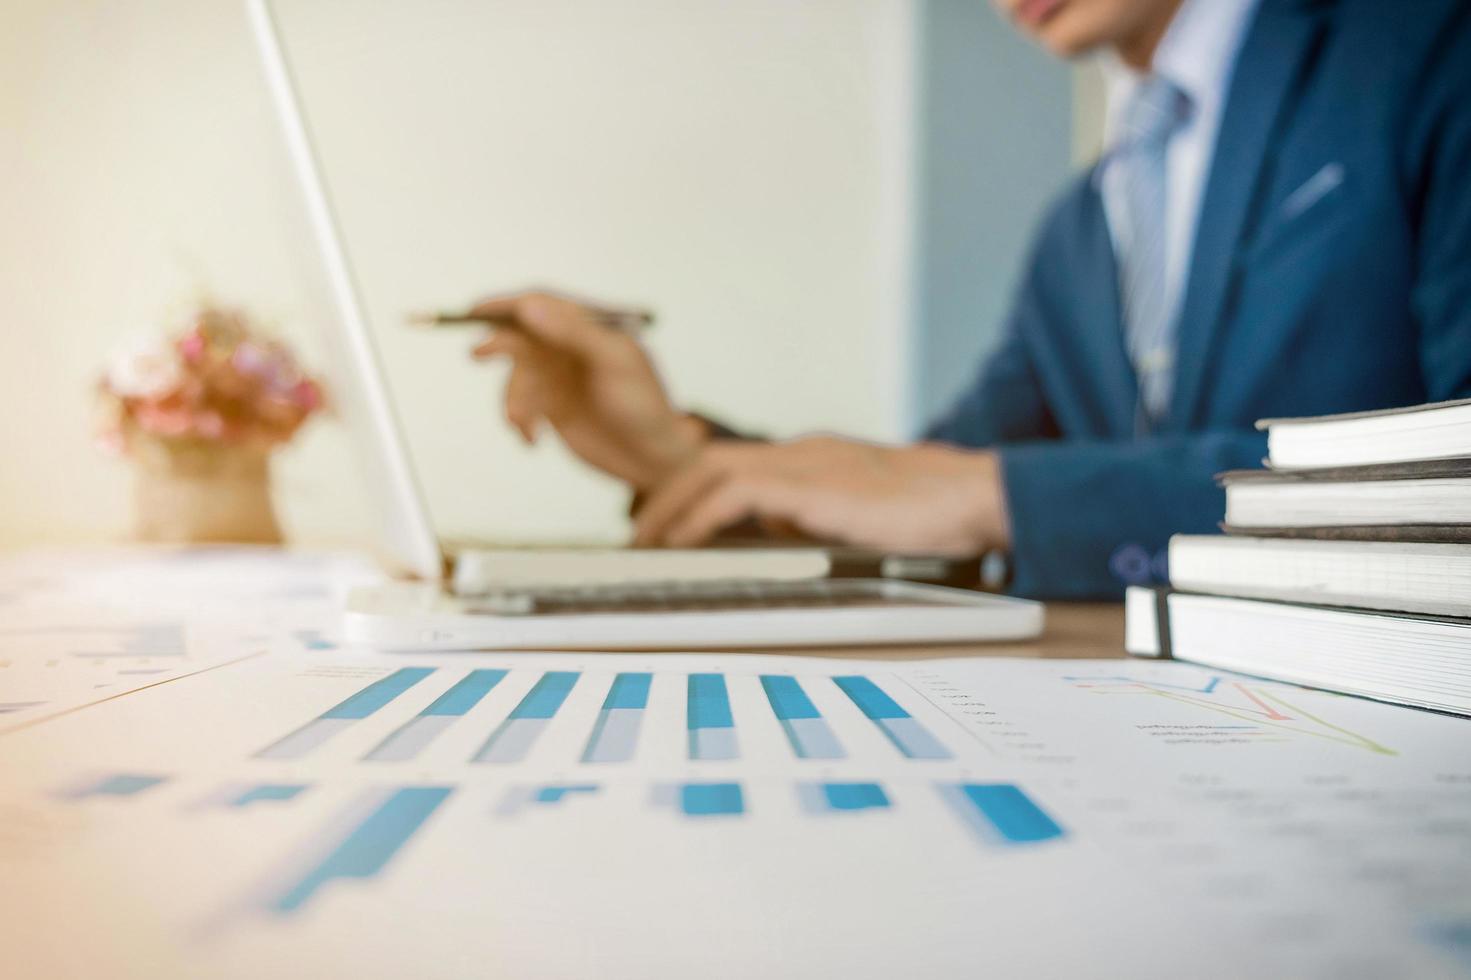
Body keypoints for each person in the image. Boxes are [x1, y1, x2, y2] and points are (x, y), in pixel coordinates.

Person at [467, 0, 1471, 599]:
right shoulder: (1080, 225)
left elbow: (972, 490)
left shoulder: (1426, 50)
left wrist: (999, 494)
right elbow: (915, 491)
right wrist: (674, 456)